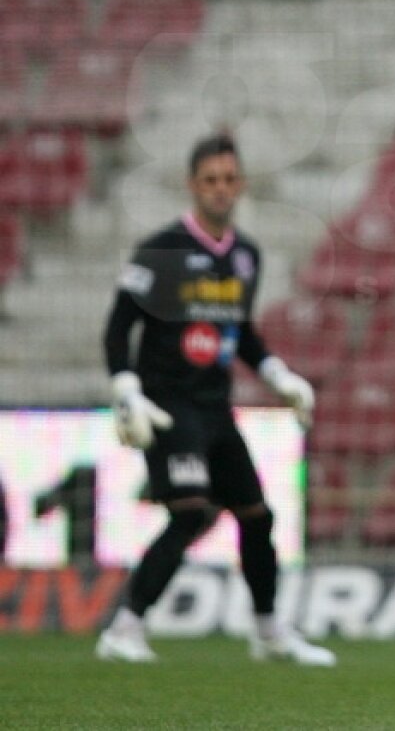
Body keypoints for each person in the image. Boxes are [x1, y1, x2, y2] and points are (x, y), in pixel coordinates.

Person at [96, 133, 335, 666]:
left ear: (241, 185)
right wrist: (126, 387)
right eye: (211, 181)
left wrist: (278, 374)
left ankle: (269, 632)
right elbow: (118, 329)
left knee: (257, 516)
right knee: (191, 514)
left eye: (229, 180)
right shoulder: (161, 252)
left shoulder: (245, 257)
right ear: (193, 186)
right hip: (167, 405)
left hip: (215, 408)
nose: (221, 190)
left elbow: (240, 332)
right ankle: (124, 629)